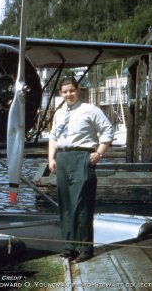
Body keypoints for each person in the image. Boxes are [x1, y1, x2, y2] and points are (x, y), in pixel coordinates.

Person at [48, 76, 113, 262]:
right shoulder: (59, 113)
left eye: (72, 90)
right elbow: (53, 137)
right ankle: (69, 247)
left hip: (82, 156)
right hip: (63, 158)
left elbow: (108, 130)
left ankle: (85, 249)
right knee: (66, 204)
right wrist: (51, 158)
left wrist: (99, 153)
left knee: (82, 204)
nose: (69, 94)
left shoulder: (90, 110)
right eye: (65, 91)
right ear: (61, 93)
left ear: (78, 90)